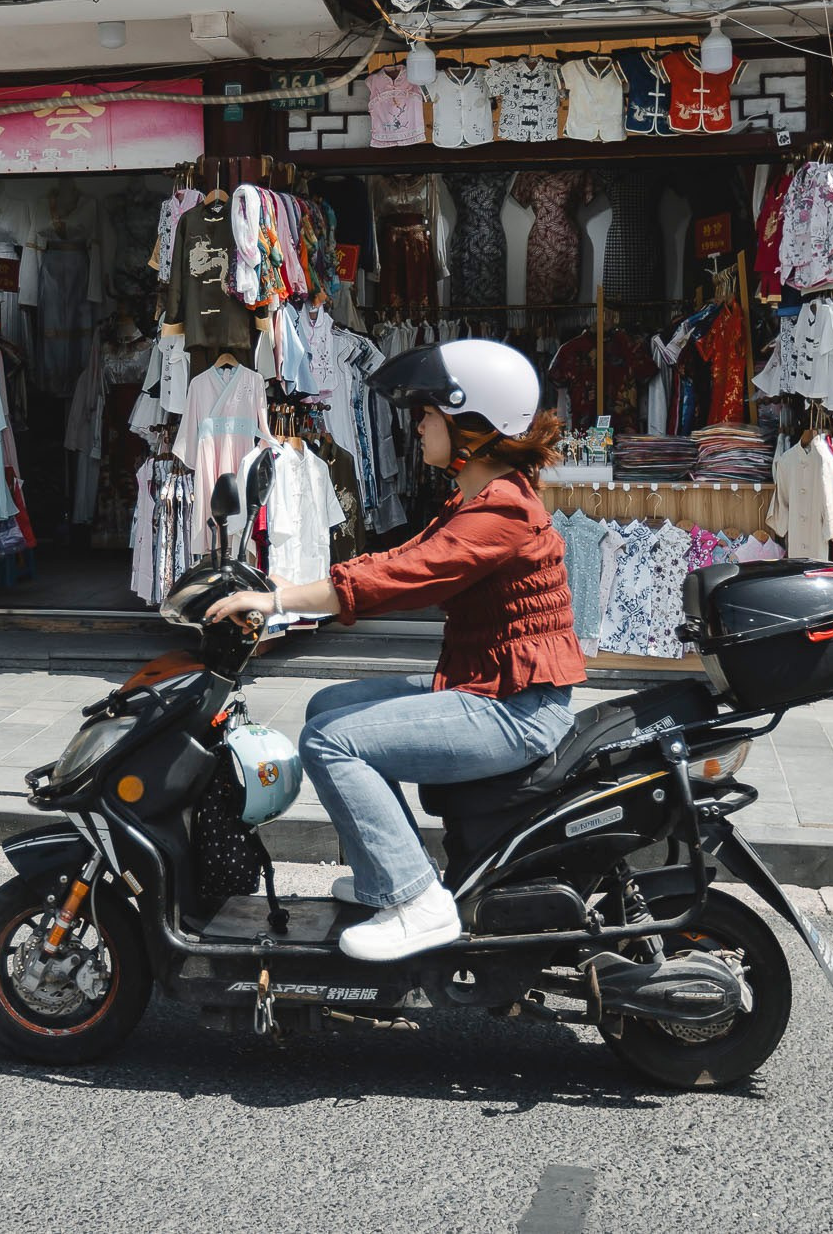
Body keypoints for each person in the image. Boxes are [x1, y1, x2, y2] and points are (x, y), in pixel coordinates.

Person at [204, 339, 582, 962]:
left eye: (430, 412)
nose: (420, 424)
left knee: (331, 742)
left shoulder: (504, 511)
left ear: (474, 425)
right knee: (328, 707)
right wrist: (281, 588)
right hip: (489, 689)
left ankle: (414, 902)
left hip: (516, 710)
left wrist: (279, 602)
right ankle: (394, 877)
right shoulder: (480, 499)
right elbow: (401, 558)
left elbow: (405, 577)